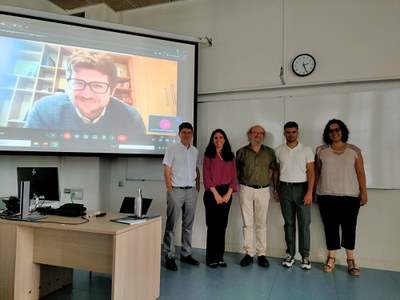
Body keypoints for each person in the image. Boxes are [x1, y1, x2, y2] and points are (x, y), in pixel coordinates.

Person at [24, 50, 146, 137]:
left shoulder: (131, 118)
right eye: (78, 83)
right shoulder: (44, 110)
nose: (86, 94)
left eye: (97, 85)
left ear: (112, 91)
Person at [315, 119, 367, 276]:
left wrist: (363, 192)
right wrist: (313, 191)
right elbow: (317, 172)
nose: (334, 132)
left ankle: (350, 260)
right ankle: (331, 258)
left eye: (337, 129)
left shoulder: (354, 150)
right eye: (330, 130)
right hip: (326, 195)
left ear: (343, 131)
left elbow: (360, 173)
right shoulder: (321, 150)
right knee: (329, 227)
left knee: (349, 227)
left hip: (350, 196)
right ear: (327, 133)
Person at [236, 124, 278, 268]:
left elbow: (273, 171)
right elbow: (237, 171)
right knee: (247, 223)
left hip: (263, 190)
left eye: (261, 133)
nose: (258, 135)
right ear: (249, 134)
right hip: (245, 189)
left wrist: (273, 188)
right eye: (255, 133)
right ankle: (248, 253)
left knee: (261, 223)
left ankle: (261, 254)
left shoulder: (270, 152)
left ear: (263, 136)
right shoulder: (241, 152)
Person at [274, 121, 315, 270]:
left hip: (302, 188)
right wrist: (275, 190)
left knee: (304, 224)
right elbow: (277, 171)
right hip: (284, 188)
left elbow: (311, 171)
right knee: (289, 223)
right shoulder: (278, 150)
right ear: (284, 133)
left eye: (294, 132)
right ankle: (290, 253)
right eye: (288, 132)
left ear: (298, 133)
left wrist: (310, 192)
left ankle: (305, 256)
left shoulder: (307, 149)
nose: (291, 135)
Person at [162, 122, 201, 271]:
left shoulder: (195, 151)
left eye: (189, 133)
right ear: (179, 134)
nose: (186, 135)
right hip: (176, 191)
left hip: (191, 191)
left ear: (192, 134)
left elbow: (196, 169)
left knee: (188, 225)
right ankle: (169, 255)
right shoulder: (172, 149)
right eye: (183, 132)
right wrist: (170, 190)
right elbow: (166, 170)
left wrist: (197, 187)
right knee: (171, 224)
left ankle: (186, 254)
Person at [203, 129, 238, 268]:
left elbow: (234, 177)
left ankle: (219, 257)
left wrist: (228, 194)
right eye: (215, 137)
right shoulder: (208, 156)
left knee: (222, 226)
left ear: (225, 139)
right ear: (212, 140)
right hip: (212, 193)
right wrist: (216, 194)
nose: (218, 139)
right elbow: (206, 176)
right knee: (212, 227)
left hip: (227, 192)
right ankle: (211, 258)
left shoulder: (231, 156)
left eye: (221, 137)